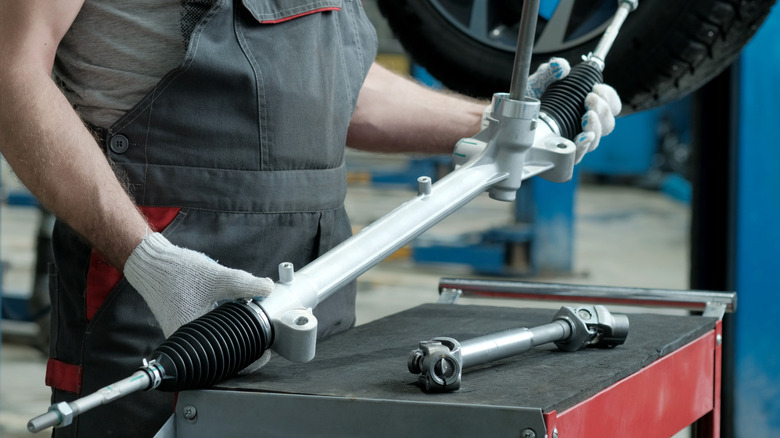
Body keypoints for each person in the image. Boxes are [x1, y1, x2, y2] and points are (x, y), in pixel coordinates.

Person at [0, 1, 620, 436]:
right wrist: (149, 259)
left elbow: (333, 85)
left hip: (316, 273)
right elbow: (12, 73)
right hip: (155, 269)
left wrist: (499, 125)